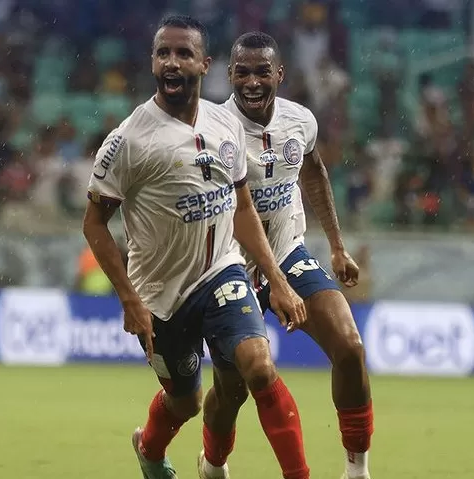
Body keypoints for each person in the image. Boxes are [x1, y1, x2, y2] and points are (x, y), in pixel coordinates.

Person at [83, 16, 312, 479]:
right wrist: (129, 298)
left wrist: (279, 280)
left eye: (184, 53)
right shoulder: (129, 140)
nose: (172, 62)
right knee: (184, 402)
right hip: (161, 295)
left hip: (222, 272)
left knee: (257, 368)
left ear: (205, 64)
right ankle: (149, 448)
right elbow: (94, 225)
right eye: (163, 53)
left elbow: (243, 208)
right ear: (152, 62)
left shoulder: (224, 123)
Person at [198, 32, 376, 479]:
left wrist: (336, 246)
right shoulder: (213, 129)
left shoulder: (301, 121)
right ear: (229, 75)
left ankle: (357, 471)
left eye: (262, 71)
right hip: (229, 268)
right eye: (243, 72)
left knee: (351, 349)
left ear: (280, 74)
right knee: (233, 390)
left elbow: (313, 171)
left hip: (288, 252)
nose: (253, 82)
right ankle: (214, 464)